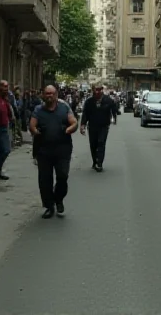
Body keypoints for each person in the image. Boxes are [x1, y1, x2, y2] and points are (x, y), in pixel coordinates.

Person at [30, 84, 78, 219]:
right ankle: (49, 206)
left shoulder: (64, 108)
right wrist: (35, 131)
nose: (49, 96)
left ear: (56, 95)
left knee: (63, 176)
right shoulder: (38, 110)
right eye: (47, 93)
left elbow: (74, 122)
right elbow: (32, 125)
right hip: (43, 150)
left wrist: (70, 129)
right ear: (43, 95)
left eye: (51, 93)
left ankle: (59, 199)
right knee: (45, 180)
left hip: (63, 149)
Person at [80, 83, 118, 172]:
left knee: (101, 143)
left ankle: (99, 163)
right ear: (93, 90)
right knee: (93, 144)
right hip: (92, 125)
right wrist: (83, 125)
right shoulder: (89, 101)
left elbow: (114, 111)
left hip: (104, 126)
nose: (98, 91)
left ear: (102, 90)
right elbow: (85, 114)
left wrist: (114, 119)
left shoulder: (108, 100)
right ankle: (95, 161)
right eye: (96, 89)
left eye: (100, 89)